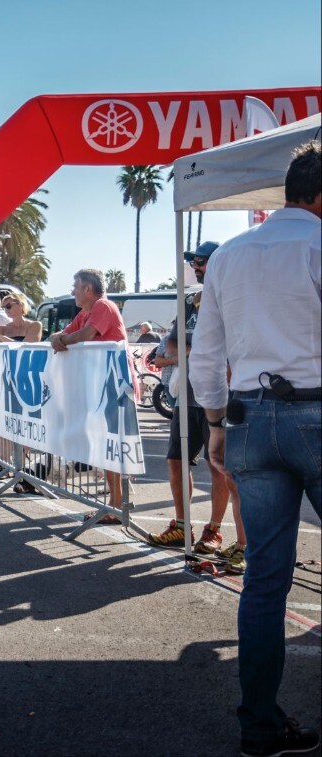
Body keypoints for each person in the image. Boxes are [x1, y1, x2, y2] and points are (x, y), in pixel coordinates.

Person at [190, 140, 321, 757]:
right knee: (265, 580)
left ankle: (260, 725)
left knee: (265, 582)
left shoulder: (231, 257)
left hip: (249, 417)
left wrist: (216, 424)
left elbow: (206, 355)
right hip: (316, 411)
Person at [147, 241, 243, 566]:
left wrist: (183, 354)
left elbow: (222, 346)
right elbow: (175, 340)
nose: (197, 267)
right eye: (196, 262)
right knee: (176, 459)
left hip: (221, 393)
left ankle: (214, 530)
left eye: (201, 262)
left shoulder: (232, 297)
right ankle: (182, 525)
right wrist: (183, 352)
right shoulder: (190, 301)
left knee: (221, 465)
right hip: (187, 392)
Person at [49, 268, 130, 522]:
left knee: (112, 444)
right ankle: (116, 503)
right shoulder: (86, 312)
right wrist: (59, 338)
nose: (72, 291)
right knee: (106, 444)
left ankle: (117, 505)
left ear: (87, 289)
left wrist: (62, 340)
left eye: (75, 285)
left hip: (114, 384)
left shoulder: (103, 306)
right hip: (100, 384)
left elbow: (85, 335)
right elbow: (60, 335)